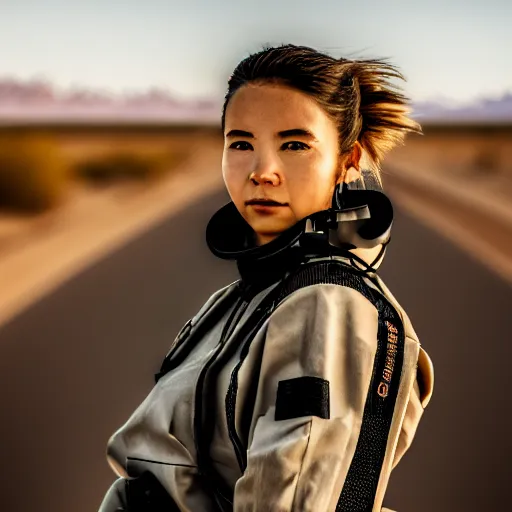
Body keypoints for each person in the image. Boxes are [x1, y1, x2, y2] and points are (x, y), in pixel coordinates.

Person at [98, 44, 434, 512]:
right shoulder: (241, 299)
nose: (262, 172)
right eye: (241, 143)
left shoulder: (328, 307)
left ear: (347, 159)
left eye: (294, 145)